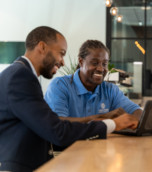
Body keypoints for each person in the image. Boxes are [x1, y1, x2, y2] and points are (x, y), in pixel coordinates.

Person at [0, 26, 138, 172]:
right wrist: (111, 123)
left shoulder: (21, 74)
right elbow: (58, 130)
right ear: (42, 47)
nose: (63, 62)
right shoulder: (21, 77)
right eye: (61, 54)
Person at [44, 40, 143, 122]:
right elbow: (59, 122)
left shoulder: (110, 90)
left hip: (101, 145)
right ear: (81, 62)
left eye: (104, 64)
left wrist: (133, 120)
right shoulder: (60, 86)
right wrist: (104, 118)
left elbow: (137, 111)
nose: (100, 69)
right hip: (71, 145)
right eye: (95, 63)